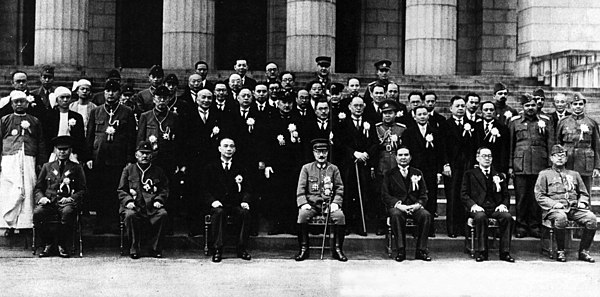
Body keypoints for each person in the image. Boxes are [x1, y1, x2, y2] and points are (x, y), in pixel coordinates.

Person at [86, 80, 136, 234]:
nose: (111, 94)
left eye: (114, 91)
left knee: (116, 190)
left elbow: (131, 138)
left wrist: (129, 160)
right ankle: (101, 222)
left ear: (119, 94)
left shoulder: (126, 112)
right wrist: (88, 157)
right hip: (99, 158)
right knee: (100, 190)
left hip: (118, 159)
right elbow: (89, 136)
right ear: (104, 93)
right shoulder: (96, 111)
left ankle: (115, 222)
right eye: (108, 91)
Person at [535, 144, 597, 262]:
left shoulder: (574, 174)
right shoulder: (544, 174)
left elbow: (584, 193)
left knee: (592, 219)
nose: (560, 158)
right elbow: (539, 195)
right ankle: (560, 251)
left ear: (566, 159)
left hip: (573, 208)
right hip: (554, 210)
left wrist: (582, 202)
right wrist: (553, 204)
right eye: (556, 156)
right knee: (561, 217)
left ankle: (584, 251)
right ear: (551, 158)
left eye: (562, 156)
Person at [0, 91, 47, 235]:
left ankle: (25, 223)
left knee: (28, 187)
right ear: (12, 104)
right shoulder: (4, 120)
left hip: (28, 157)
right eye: (16, 102)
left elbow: (40, 142)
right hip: (9, 157)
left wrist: (41, 161)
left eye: (22, 101)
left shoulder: (35, 120)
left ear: (27, 103)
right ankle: (8, 224)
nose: (19, 104)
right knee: (9, 188)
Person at [509, 93, 554, 238]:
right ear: (522, 107)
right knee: (521, 197)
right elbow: (510, 145)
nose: (530, 108)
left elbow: (550, 143)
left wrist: (550, 165)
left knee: (537, 197)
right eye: (527, 105)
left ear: (537, 106)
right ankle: (521, 226)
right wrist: (510, 166)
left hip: (539, 164)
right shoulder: (515, 122)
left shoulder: (546, 121)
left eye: (533, 105)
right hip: (520, 164)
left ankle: (535, 226)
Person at [33, 136, 86, 258]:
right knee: (38, 213)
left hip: (66, 203)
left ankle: (62, 245)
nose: (62, 152)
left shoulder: (76, 168)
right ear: (55, 150)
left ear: (70, 150)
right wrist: (41, 198)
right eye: (59, 149)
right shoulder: (47, 166)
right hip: (49, 202)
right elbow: (38, 188)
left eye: (65, 149)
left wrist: (71, 198)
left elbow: (83, 190)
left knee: (68, 212)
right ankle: (48, 244)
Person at [295, 138, 347, 262]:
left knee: (340, 217)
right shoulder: (306, 168)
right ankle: (304, 249)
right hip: (311, 204)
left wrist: (336, 203)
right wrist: (303, 203)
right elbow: (301, 188)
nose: (321, 155)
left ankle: (338, 250)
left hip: (329, 204)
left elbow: (340, 188)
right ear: (313, 153)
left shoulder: (333, 169)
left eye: (324, 151)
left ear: (328, 152)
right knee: (302, 216)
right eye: (318, 152)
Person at [203, 138, 252, 262]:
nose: (229, 149)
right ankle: (217, 249)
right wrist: (212, 201)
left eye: (231, 146)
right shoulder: (210, 167)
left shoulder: (241, 167)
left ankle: (241, 248)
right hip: (218, 204)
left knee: (245, 213)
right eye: (225, 146)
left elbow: (248, 189)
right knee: (219, 213)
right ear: (219, 149)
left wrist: (245, 201)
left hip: (235, 203)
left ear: (235, 149)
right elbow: (204, 189)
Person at [461, 147, 514, 262]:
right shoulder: (470, 174)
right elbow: (464, 195)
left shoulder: (499, 175)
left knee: (507, 217)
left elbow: (506, 195)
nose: (487, 159)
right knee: (481, 217)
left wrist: (503, 205)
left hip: (495, 208)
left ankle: (505, 252)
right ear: (477, 158)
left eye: (489, 156)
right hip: (478, 207)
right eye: (484, 156)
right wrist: (473, 205)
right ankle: (482, 251)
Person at [334, 96, 377, 236]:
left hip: (364, 163)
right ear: (349, 107)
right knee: (347, 194)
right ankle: (346, 225)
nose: (358, 108)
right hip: (348, 164)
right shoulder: (342, 123)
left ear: (364, 106)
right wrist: (354, 153)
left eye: (360, 106)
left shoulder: (369, 122)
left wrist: (366, 153)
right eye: (355, 105)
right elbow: (339, 143)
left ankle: (361, 225)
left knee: (363, 194)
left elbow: (375, 142)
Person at [117, 141, 169, 259]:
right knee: (130, 215)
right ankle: (134, 247)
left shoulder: (158, 171)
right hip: (134, 206)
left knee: (163, 214)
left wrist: (159, 200)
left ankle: (155, 248)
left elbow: (164, 189)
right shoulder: (128, 169)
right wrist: (128, 201)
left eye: (147, 153)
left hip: (152, 207)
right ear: (136, 155)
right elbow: (121, 190)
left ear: (152, 155)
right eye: (142, 153)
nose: (144, 156)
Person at [381, 146, 432, 262]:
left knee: (426, 215)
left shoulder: (417, 172)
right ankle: (401, 250)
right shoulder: (389, 174)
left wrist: (417, 205)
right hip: (398, 207)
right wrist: (399, 205)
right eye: (400, 155)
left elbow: (424, 194)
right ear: (396, 157)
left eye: (406, 155)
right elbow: (385, 195)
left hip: (414, 206)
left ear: (410, 157)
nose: (403, 158)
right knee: (396, 215)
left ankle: (421, 250)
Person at [402, 105, 446, 237]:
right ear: (414, 117)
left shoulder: (435, 132)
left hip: (430, 170)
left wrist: (439, 171)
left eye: (424, 114)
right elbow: (405, 152)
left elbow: (440, 153)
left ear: (428, 116)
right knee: (414, 196)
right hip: (414, 171)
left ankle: (429, 227)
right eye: (419, 114)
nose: (422, 116)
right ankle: (416, 228)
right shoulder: (408, 133)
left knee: (430, 197)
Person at [441, 96, 480, 237]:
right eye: (457, 106)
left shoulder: (472, 124)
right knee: (452, 196)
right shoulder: (445, 125)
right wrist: (445, 164)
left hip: (468, 165)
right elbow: (443, 147)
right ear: (451, 108)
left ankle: (465, 227)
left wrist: (475, 164)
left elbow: (476, 146)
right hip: (452, 166)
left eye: (463, 106)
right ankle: (452, 228)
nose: (460, 109)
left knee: (466, 196)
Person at [374, 100, 407, 235]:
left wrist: (397, 142)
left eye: (390, 113)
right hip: (382, 166)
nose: (387, 116)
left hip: (396, 165)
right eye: (385, 113)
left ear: (395, 114)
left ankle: (397, 223)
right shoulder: (376, 127)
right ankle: (381, 224)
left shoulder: (401, 128)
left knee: (396, 194)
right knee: (382, 195)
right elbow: (375, 147)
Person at [556, 93, 600, 191]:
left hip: (585, 164)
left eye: (580, 104)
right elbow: (558, 144)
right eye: (575, 104)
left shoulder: (591, 123)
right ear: (570, 106)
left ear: (584, 106)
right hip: (568, 163)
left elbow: (596, 146)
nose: (578, 107)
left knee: (585, 193)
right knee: (568, 193)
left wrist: (597, 167)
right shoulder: (563, 122)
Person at [43, 87, 87, 163]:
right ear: (57, 99)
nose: (65, 100)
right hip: (54, 151)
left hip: (71, 152)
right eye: (62, 97)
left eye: (67, 97)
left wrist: (78, 154)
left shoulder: (77, 117)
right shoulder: (49, 116)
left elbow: (80, 138)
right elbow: (46, 136)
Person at [476, 101, 510, 175]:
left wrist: (503, 170)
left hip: (496, 166)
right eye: (486, 110)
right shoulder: (476, 126)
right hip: (478, 166)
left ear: (495, 112)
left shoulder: (502, 128)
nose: (489, 112)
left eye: (491, 110)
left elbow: (504, 149)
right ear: (481, 111)